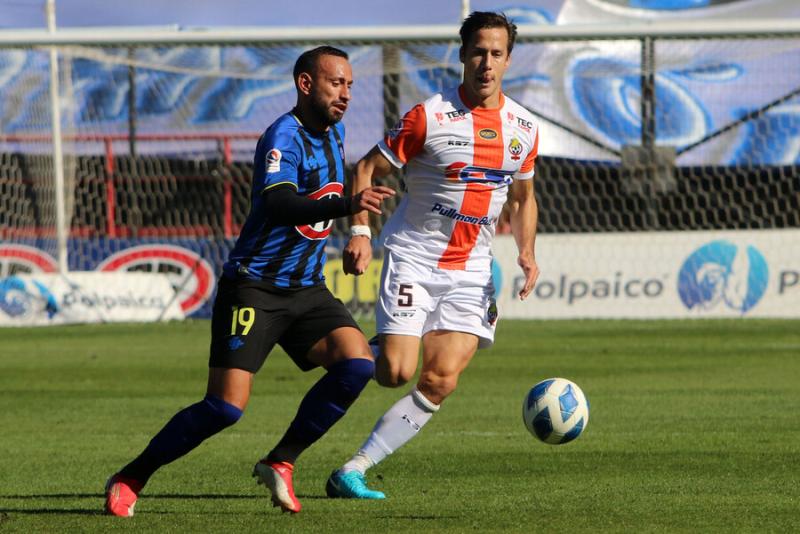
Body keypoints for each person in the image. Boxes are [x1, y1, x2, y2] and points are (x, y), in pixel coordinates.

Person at [104, 45, 395, 516]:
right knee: (224, 408)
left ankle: (281, 461)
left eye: (350, 85)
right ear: (305, 84)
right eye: (335, 83)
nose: (345, 94)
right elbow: (280, 204)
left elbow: (322, 203)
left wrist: (354, 231)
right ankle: (130, 476)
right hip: (254, 287)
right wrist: (348, 206)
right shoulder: (283, 136)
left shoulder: (334, 133)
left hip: (305, 287)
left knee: (357, 364)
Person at [325, 12, 540, 499]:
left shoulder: (524, 127)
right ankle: (342, 347)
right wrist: (359, 230)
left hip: (472, 272)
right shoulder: (431, 116)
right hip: (415, 257)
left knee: (440, 380)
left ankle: (353, 470)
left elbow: (525, 197)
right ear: (463, 55)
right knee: (395, 372)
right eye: (479, 52)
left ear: (508, 59)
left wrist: (527, 251)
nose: (487, 63)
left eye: (497, 54)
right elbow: (367, 167)